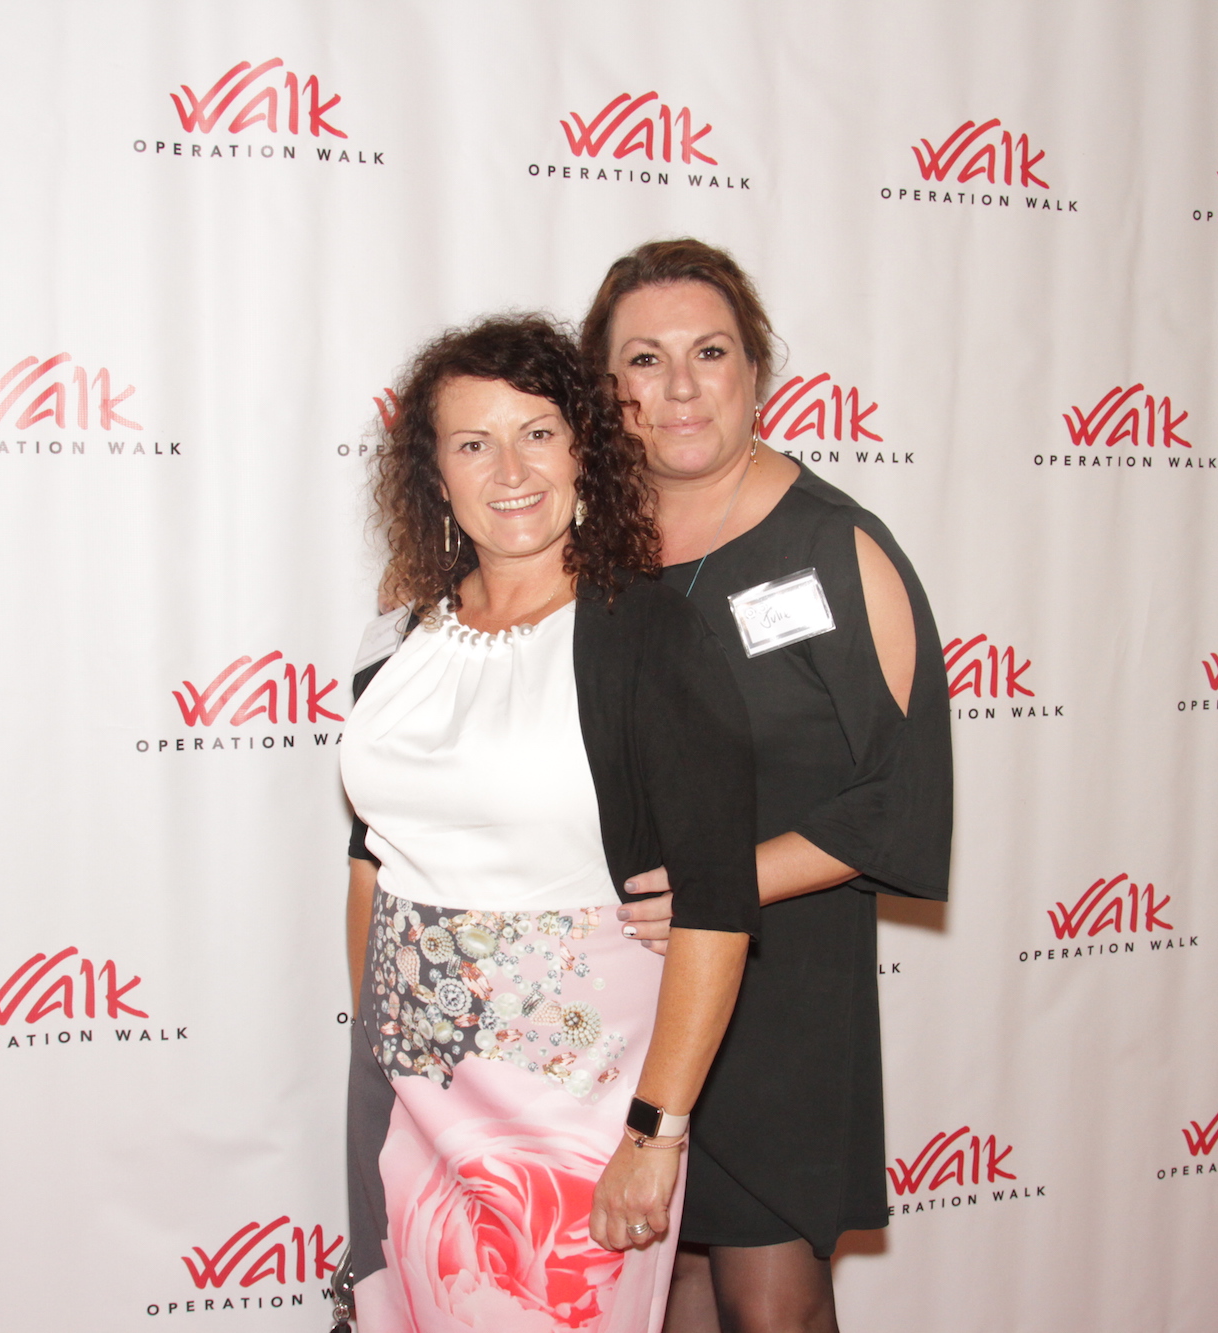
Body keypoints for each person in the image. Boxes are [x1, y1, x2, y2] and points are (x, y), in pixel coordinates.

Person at [338, 314, 761, 1333]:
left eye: (537, 433)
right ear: (435, 473)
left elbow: (716, 905)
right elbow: (371, 862)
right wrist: (380, 1052)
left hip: (575, 1107)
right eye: (472, 443)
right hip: (406, 1092)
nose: (510, 470)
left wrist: (655, 1133)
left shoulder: (649, 634)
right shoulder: (397, 640)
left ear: (584, 451)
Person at [581, 241, 953, 1333]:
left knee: (769, 1302)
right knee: (667, 1290)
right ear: (605, 390)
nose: (680, 387)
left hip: (778, 988)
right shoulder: (584, 550)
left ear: (756, 370)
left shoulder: (835, 547)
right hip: (624, 991)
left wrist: (721, 885)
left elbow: (898, 797)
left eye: (709, 352)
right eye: (644, 359)